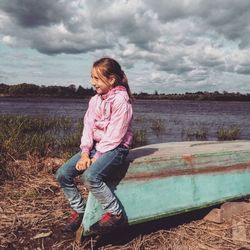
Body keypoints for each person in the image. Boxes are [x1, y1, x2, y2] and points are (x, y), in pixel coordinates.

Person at [56, 57, 133, 234]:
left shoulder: (122, 100)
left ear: (111, 79)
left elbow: (115, 135)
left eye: (97, 78)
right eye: (92, 77)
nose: (92, 82)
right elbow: (88, 128)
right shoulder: (94, 101)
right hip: (95, 146)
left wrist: (95, 157)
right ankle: (80, 210)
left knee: (90, 177)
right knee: (62, 174)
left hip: (116, 147)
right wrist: (84, 153)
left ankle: (116, 214)